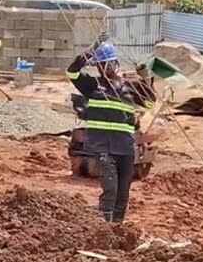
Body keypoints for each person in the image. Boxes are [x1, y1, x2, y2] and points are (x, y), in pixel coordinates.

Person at [67, 37, 156, 224]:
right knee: (111, 191)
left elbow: (149, 102)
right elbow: (72, 71)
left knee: (122, 194)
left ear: (115, 63)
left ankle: (117, 228)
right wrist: (93, 48)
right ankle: (104, 229)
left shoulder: (129, 87)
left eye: (107, 63)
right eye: (99, 65)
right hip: (103, 147)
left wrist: (145, 78)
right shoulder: (92, 86)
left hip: (125, 148)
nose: (103, 68)